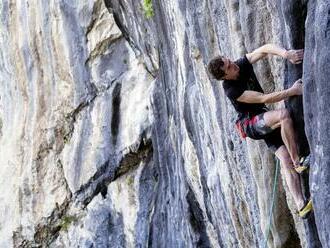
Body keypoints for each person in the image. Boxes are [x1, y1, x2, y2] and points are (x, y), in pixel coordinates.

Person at [207, 44, 312, 218]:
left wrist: (287, 54)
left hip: (263, 117)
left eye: (229, 60)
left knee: (284, 158)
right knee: (283, 115)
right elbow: (264, 98)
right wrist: (293, 91)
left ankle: (301, 205)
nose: (233, 64)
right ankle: (299, 162)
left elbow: (264, 49)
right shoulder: (231, 90)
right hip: (251, 124)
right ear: (225, 76)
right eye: (229, 67)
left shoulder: (240, 64)